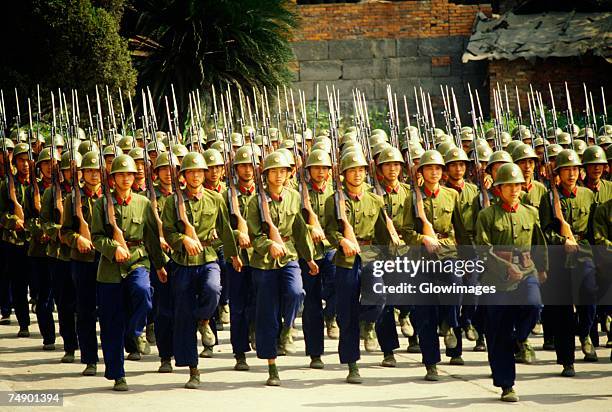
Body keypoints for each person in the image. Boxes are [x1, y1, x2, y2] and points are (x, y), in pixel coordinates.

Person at [162, 151, 241, 389]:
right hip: (183, 261)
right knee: (183, 314)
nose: (196, 176)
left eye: (200, 172)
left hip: (208, 257)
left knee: (213, 289)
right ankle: (193, 370)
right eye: (191, 172)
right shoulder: (172, 202)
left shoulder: (214, 198)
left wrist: (234, 254)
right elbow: (167, 231)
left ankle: (205, 318)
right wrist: (182, 240)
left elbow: (225, 228)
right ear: (184, 175)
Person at [91, 154, 167, 391]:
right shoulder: (102, 204)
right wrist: (113, 248)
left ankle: (135, 331)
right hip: (111, 269)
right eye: (121, 175)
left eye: (130, 175)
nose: (126, 179)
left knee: (144, 292)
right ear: (113, 179)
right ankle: (118, 374)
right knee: (111, 323)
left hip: (137, 260)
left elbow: (152, 238)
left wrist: (159, 265)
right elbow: (96, 237)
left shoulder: (143, 203)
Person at [475, 163, 548, 402]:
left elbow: (539, 241)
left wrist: (543, 267)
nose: (514, 189)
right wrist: (506, 267)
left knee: (533, 305)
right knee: (498, 332)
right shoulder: (487, 216)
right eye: (509, 185)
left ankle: (521, 339)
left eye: (517, 185)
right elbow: (483, 250)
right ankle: (507, 385)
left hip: (527, 272)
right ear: (499, 189)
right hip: (497, 279)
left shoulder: (530, 212)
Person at [247, 152, 318, 386]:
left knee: (297, 292)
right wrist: (268, 245)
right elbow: (254, 235)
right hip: (264, 262)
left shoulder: (294, 196)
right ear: (265, 175)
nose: (279, 176)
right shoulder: (255, 202)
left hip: (289, 254)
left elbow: (299, 230)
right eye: (274, 172)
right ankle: (272, 367)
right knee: (266, 314)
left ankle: (287, 327)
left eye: (283, 171)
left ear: (289, 174)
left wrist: (308, 258)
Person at [324, 150, 392, 384]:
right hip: (346, 260)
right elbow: (329, 229)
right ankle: (352, 365)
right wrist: (341, 240)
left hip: (371, 254)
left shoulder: (375, 199)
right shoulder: (334, 200)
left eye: (361, 170)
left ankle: (368, 322)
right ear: (343, 174)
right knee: (347, 312)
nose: (357, 174)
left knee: (380, 297)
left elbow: (383, 233)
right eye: (352, 170)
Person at [60, 150, 102, 376]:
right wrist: (78, 239)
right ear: (82, 174)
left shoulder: (109, 196)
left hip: (106, 260)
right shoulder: (72, 199)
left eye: (97, 171)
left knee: (108, 309)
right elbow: (64, 232)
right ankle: (89, 358)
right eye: (89, 171)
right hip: (82, 261)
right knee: (85, 310)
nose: (94, 176)